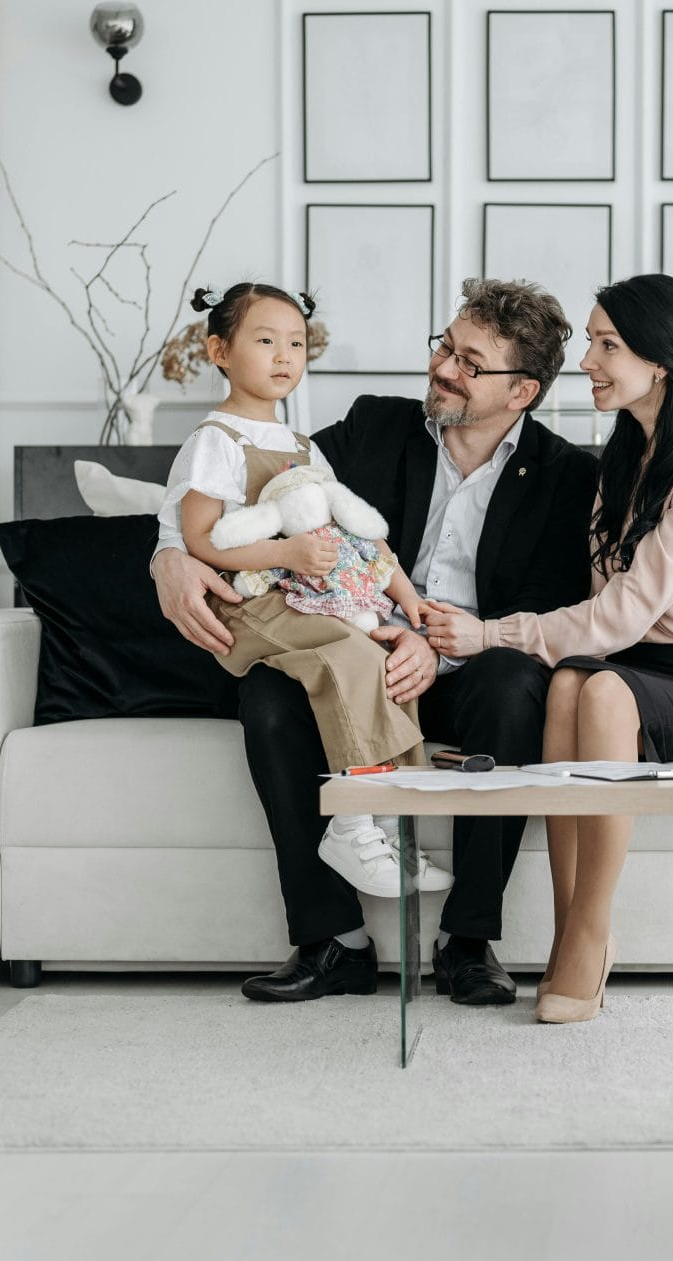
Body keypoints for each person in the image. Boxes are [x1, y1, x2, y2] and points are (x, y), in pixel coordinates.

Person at [154, 278, 598, 1006]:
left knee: (515, 687)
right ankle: (332, 943)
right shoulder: (373, 427)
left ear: (522, 392)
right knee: (268, 691)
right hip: (349, 642)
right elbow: (249, 490)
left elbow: (542, 610)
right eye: (444, 347)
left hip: (471, 663)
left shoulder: (566, 476)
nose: (444, 368)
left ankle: (469, 942)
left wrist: (437, 643)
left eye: (470, 362)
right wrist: (169, 555)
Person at [422, 274, 673, 1025]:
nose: (587, 361)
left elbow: (618, 617)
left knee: (599, 686)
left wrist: (486, 634)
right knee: (570, 687)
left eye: (607, 344)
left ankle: (588, 933)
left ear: (661, 361)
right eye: (591, 341)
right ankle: (565, 930)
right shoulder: (621, 459)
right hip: (633, 669)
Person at [159, 282, 442, 963]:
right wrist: (286, 552)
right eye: (264, 340)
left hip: (306, 598)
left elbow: (351, 531)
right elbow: (200, 539)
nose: (284, 356)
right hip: (252, 606)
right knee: (348, 658)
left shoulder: (302, 444)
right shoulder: (215, 440)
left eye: (295, 342)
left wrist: (407, 600)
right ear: (219, 350)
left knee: (374, 660)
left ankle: (386, 823)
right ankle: (350, 823)